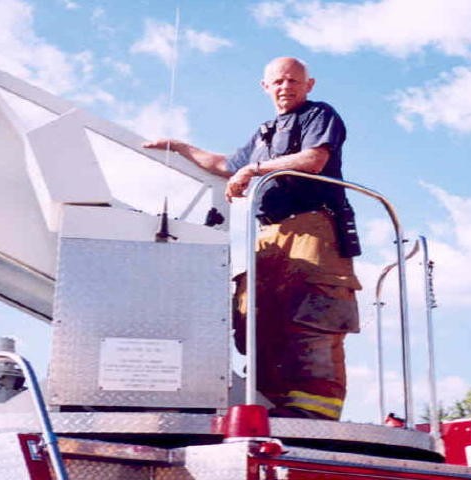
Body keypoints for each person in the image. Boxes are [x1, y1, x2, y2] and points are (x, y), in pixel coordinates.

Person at [143, 57, 361, 421]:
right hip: (269, 233)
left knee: (313, 312)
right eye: (277, 81)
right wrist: (181, 147)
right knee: (259, 314)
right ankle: (273, 403)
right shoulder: (265, 133)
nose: (285, 87)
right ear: (265, 86)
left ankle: (316, 413)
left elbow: (313, 159)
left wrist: (253, 170)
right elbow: (224, 165)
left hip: (313, 228)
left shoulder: (319, 115)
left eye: (293, 80)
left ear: (309, 84)